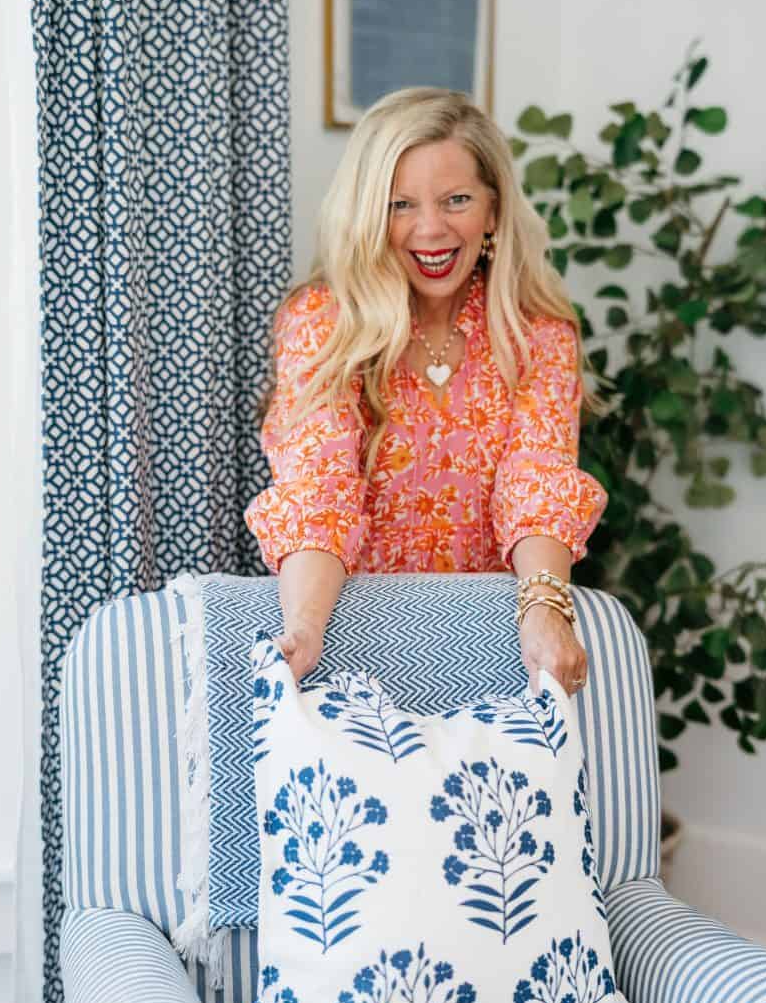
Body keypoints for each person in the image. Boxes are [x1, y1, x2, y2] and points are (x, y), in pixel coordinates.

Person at [245, 87, 608, 698]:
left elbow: (538, 479)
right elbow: (318, 484)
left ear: (493, 210)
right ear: (368, 214)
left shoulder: (539, 331)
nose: (431, 229)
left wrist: (546, 609)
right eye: (400, 204)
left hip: (494, 645)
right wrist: (305, 628)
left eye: (457, 200)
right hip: (350, 640)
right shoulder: (321, 323)